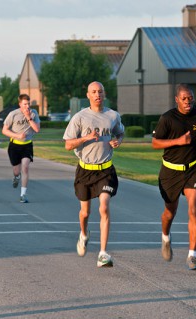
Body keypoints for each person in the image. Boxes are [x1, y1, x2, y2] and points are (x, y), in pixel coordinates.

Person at [152, 83, 196, 271]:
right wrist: (179, 141)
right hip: (170, 171)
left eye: (191, 98)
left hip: (194, 168)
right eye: (184, 98)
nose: (188, 102)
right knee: (170, 212)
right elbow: (155, 143)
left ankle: (192, 255)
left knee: (194, 209)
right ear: (177, 99)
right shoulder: (167, 118)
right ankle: (165, 237)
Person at [63, 81, 124, 268]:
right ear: (88, 95)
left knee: (104, 207)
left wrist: (117, 141)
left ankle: (103, 253)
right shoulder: (80, 118)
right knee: (85, 212)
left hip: (105, 169)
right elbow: (67, 145)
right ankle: (83, 234)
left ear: (104, 94)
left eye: (100, 91)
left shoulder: (113, 116)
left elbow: (120, 133)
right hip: (85, 170)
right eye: (94, 92)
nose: (97, 94)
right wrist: (85, 138)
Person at [1, 94, 40, 203]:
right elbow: (4, 130)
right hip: (14, 145)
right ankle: (16, 177)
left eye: (29, 104)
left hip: (27, 145)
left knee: (25, 167)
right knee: (16, 170)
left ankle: (23, 194)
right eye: (25, 104)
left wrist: (28, 118)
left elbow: (37, 129)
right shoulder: (13, 114)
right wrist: (17, 136)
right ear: (20, 104)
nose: (27, 106)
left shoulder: (34, 113)